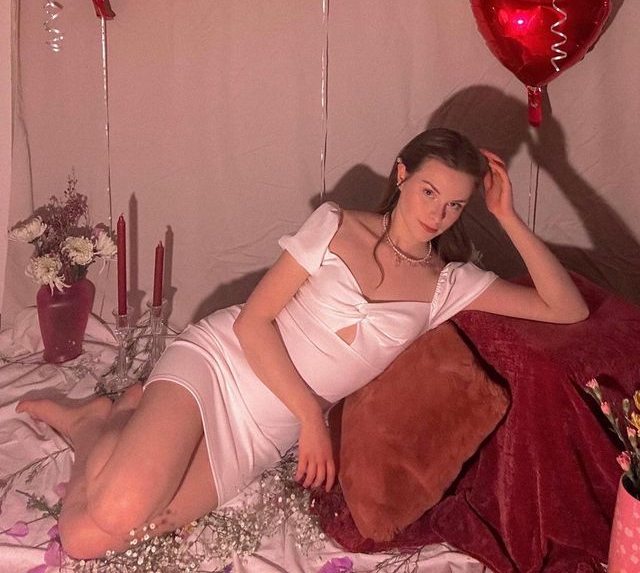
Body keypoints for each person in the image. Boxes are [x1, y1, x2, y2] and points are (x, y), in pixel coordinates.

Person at [16, 128, 588, 560]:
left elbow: (566, 308)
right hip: (221, 367)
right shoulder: (336, 224)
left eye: (456, 204)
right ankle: (106, 417)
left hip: (260, 434)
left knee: (88, 537)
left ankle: (94, 422)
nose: (437, 213)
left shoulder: (447, 286)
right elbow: (253, 323)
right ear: (401, 174)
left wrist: (508, 216)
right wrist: (312, 419)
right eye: (429, 191)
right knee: (118, 509)